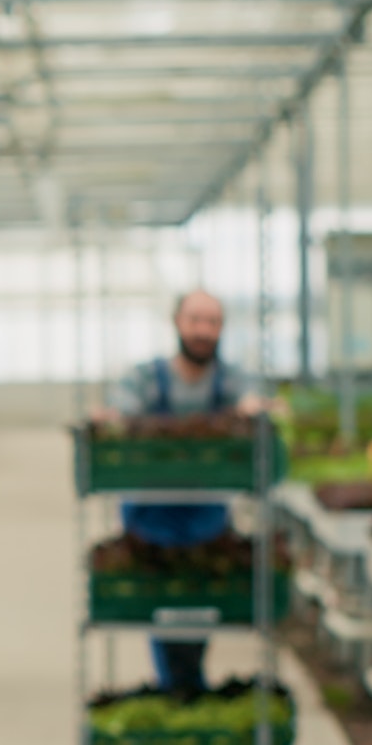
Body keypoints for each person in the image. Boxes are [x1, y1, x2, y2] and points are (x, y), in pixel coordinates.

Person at [94, 289, 269, 696]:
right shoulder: (145, 378)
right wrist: (112, 419)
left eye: (212, 322)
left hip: (205, 516)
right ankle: (179, 685)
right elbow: (121, 407)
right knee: (159, 601)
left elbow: (249, 401)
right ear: (177, 323)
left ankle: (182, 685)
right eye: (196, 320)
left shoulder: (230, 379)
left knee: (196, 600)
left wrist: (255, 410)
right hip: (150, 516)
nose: (203, 330)